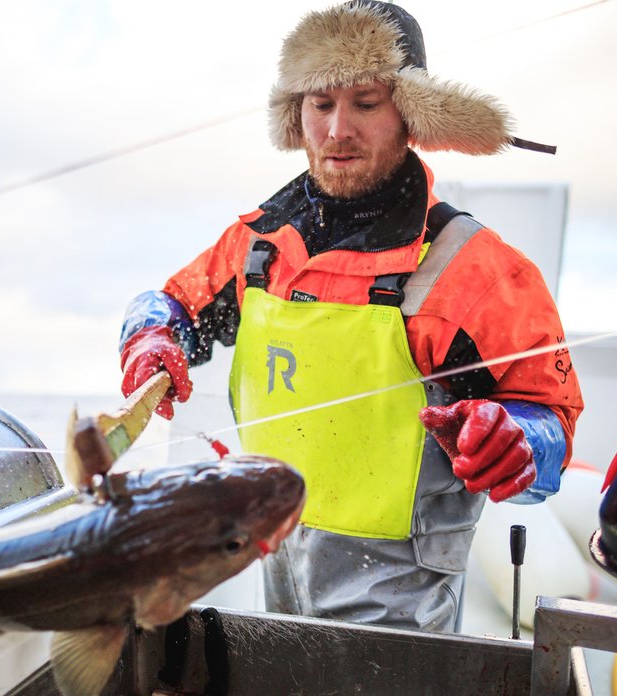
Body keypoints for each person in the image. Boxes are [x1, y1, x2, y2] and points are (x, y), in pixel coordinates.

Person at [117, 0, 583, 633]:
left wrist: (517, 441)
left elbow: (549, 422)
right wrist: (149, 336)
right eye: (320, 104)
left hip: (404, 609)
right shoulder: (256, 245)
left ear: (410, 115)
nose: (338, 131)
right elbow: (169, 304)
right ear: (296, 114)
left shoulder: (478, 271)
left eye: (366, 103)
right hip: (272, 564)